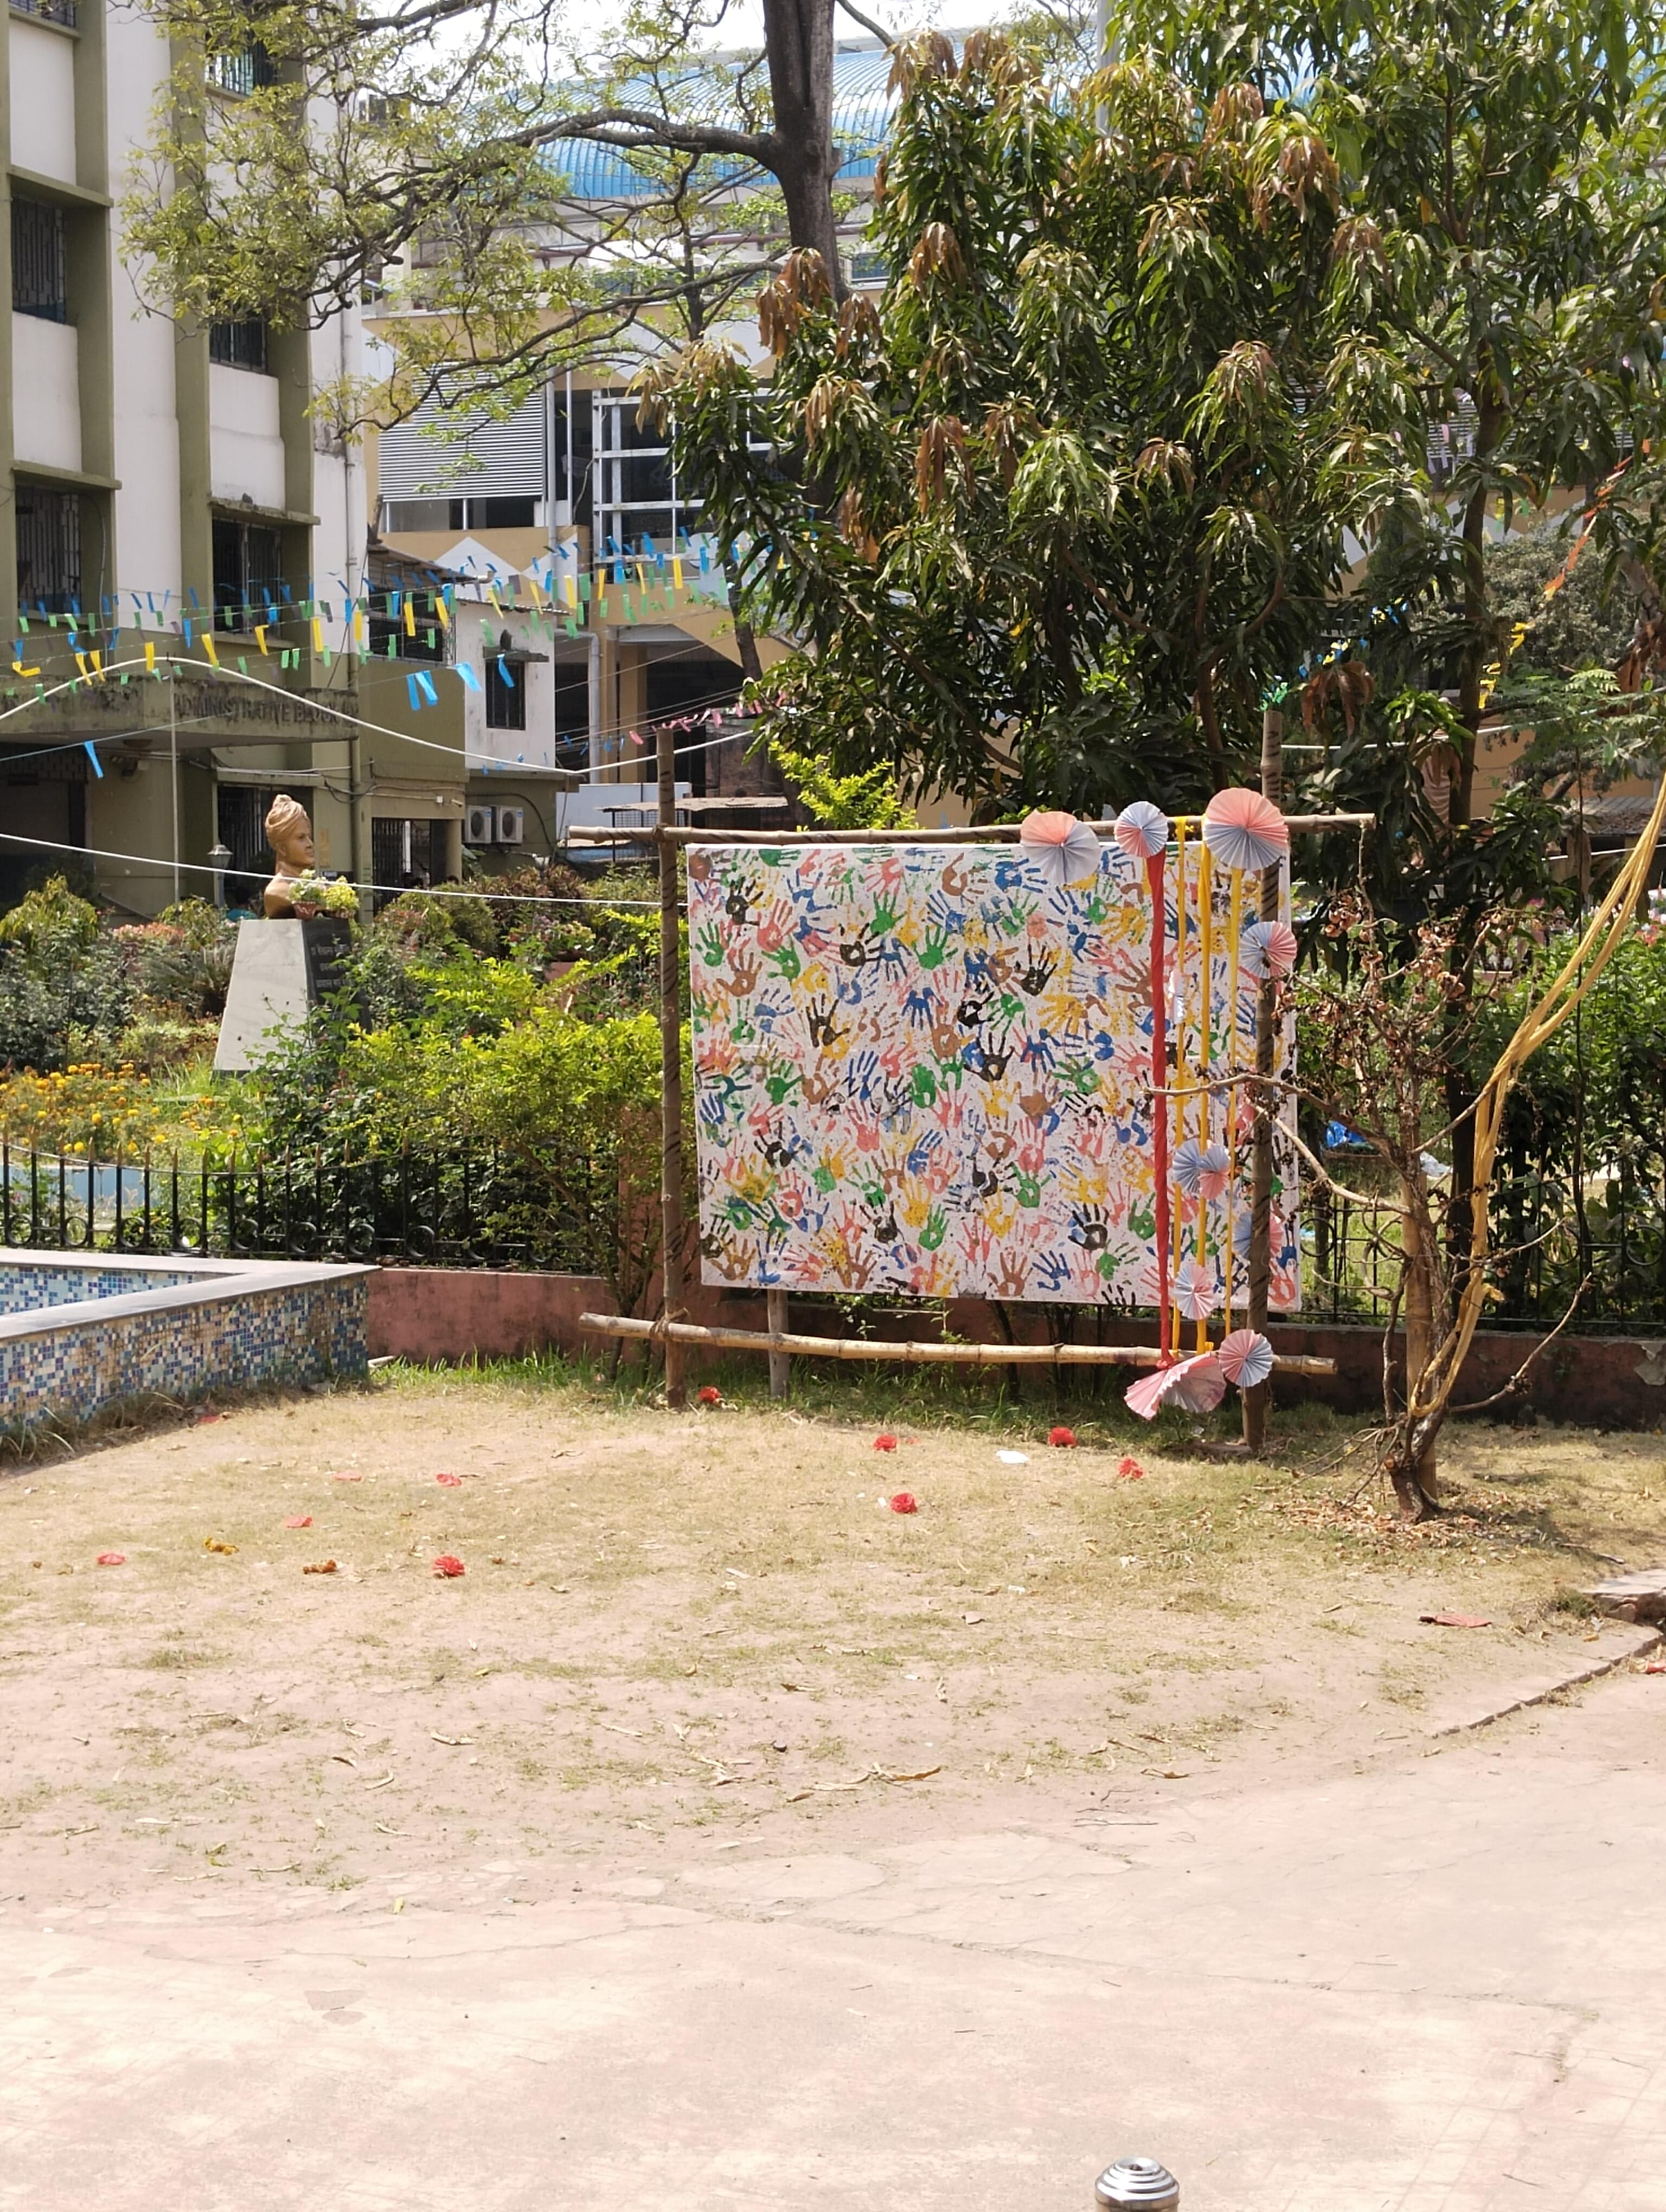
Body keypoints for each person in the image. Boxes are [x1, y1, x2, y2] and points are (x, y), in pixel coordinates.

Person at [262, 795, 315, 917]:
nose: (310, 844)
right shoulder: (275, 892)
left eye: (309, 837)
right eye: (301, 838)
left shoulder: (314, 887)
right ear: (282, 849)